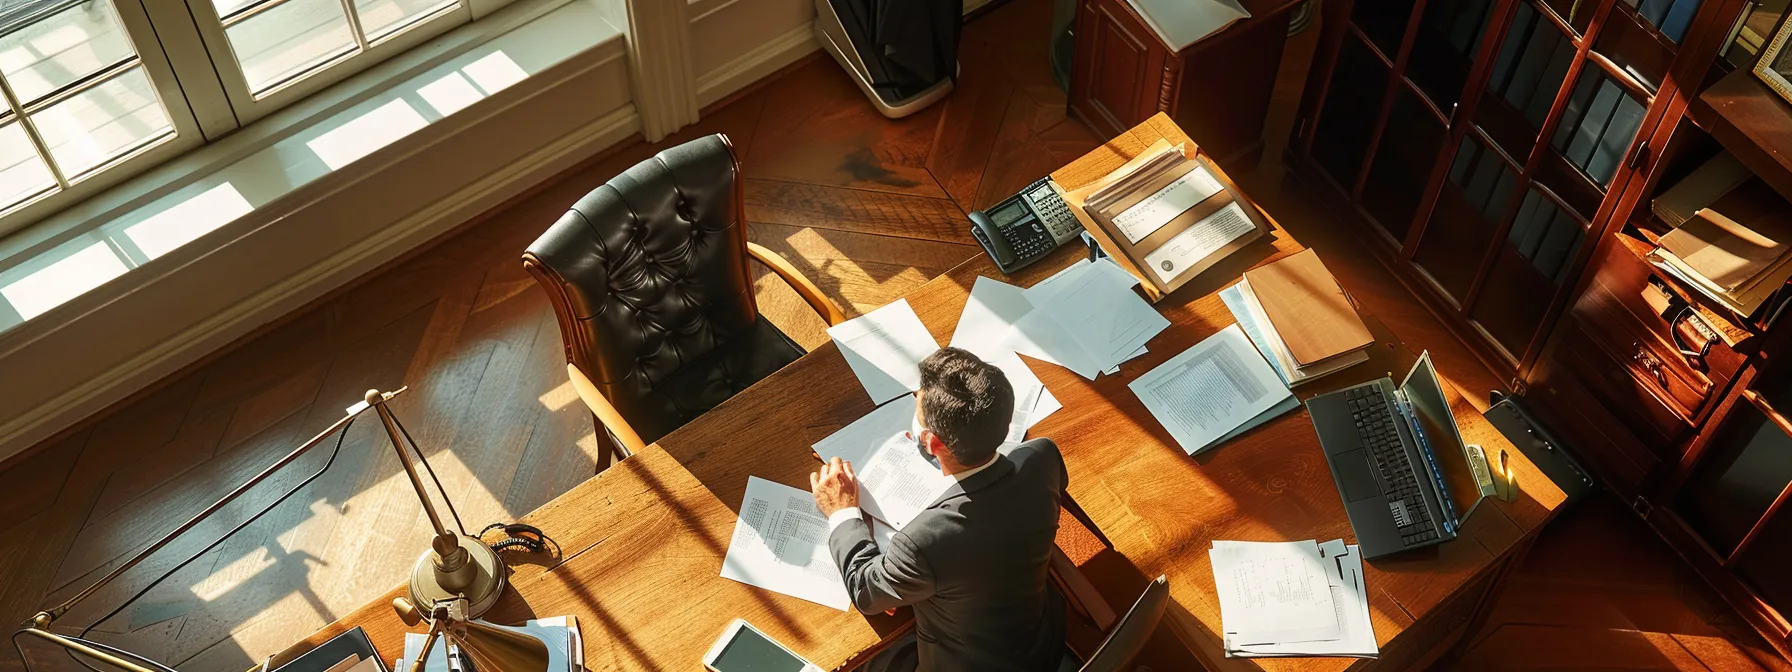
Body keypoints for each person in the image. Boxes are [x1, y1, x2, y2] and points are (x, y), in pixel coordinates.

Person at [811, 347, 1068, 672]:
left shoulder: (920, 545)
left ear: (932, 444)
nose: (917, 395)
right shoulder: (1042, 456)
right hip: (1043, 640)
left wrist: (842, 512)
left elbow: (866, 590)